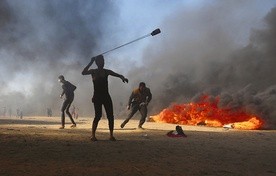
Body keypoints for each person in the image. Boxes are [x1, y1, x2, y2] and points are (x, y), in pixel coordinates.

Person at [82, 55, 128, 141]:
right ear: (97, 62)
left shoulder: (106, 72)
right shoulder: (93, 72)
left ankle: (111, 135)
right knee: (98, 116)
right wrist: (90, 62)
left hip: (106, 96)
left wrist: (123, 78)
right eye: (101, 61)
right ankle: (93, 135)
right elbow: (83, 72)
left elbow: (118, 75)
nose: (103, 63)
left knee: (110, 116)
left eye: (103, 61)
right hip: (97, 97)